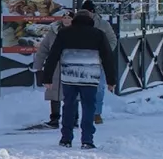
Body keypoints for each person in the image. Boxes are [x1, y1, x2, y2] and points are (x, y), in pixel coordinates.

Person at [39, 8, 117, 149]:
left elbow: (53, 55)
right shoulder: (98, 34)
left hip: (70, 77)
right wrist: (111, 80)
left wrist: (47, 78)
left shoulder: (64, 33)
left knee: (69, 106)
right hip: (90, 77)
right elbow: (107, 58)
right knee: (88, 107)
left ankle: (66, 139)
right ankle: (87, 140)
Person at [80, 0, 117, 124]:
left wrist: (104, 51)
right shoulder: (76, 23)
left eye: (88, 12)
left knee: (99, 88)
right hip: (80, 61)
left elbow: (112, 40)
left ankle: (97, 113)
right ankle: (85, 112)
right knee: (81, 88)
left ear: (92, 12)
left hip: (98, 61)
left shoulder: (103, 24)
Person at [32, 18, 66, 127]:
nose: (67, 20)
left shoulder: (76, 31)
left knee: (72, 94)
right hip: (54, 66)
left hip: (70, 66)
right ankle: (54, 118)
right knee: (54, 91)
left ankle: (73, 119)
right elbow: (43, 49)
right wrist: (38, 66)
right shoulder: (53, 32)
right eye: (65, 18)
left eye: (70, 18)